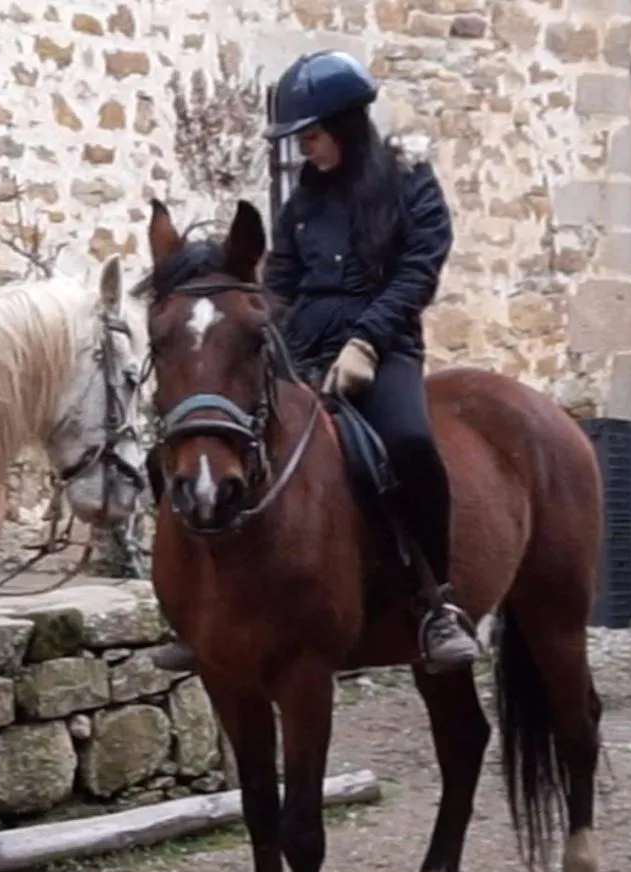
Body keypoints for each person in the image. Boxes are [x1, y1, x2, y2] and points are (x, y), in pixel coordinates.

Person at [152, 50, 479, 675]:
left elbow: (418, 271)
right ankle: (199, 612)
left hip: (383, 351)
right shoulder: (302, 202)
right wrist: (276, 351)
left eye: (312, 136)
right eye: (301, 139)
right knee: (206, 439)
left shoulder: (410, 184)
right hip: (303, 352)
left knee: (408, 442)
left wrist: (367, 343)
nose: (306, 149)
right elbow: (282, 283)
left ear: (348, 125)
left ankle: (438, 604)